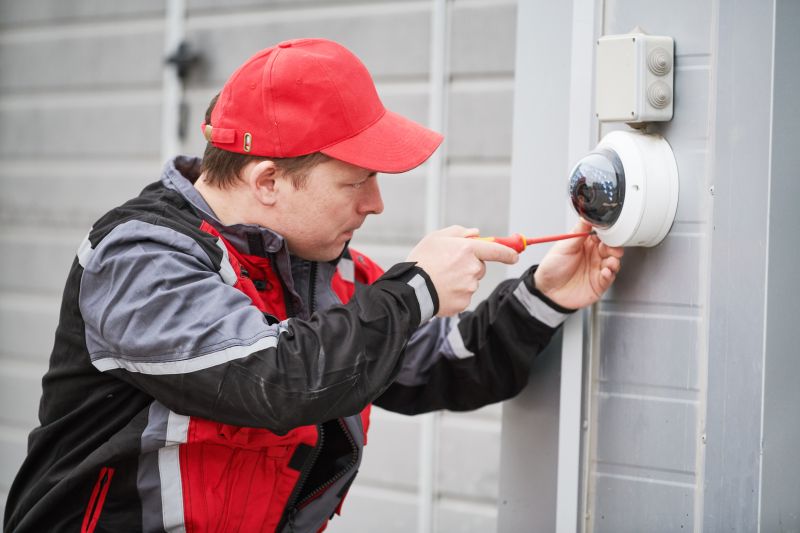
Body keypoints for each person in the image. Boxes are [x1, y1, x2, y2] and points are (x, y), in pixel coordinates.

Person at [3, 38, 623, 533]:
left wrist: (543, 295)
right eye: (356, 183)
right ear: (269, 180)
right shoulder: (141, 257)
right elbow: (275, 381)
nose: (377, 204)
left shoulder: (321, 269)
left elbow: (435, 364)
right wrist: (416, 291)